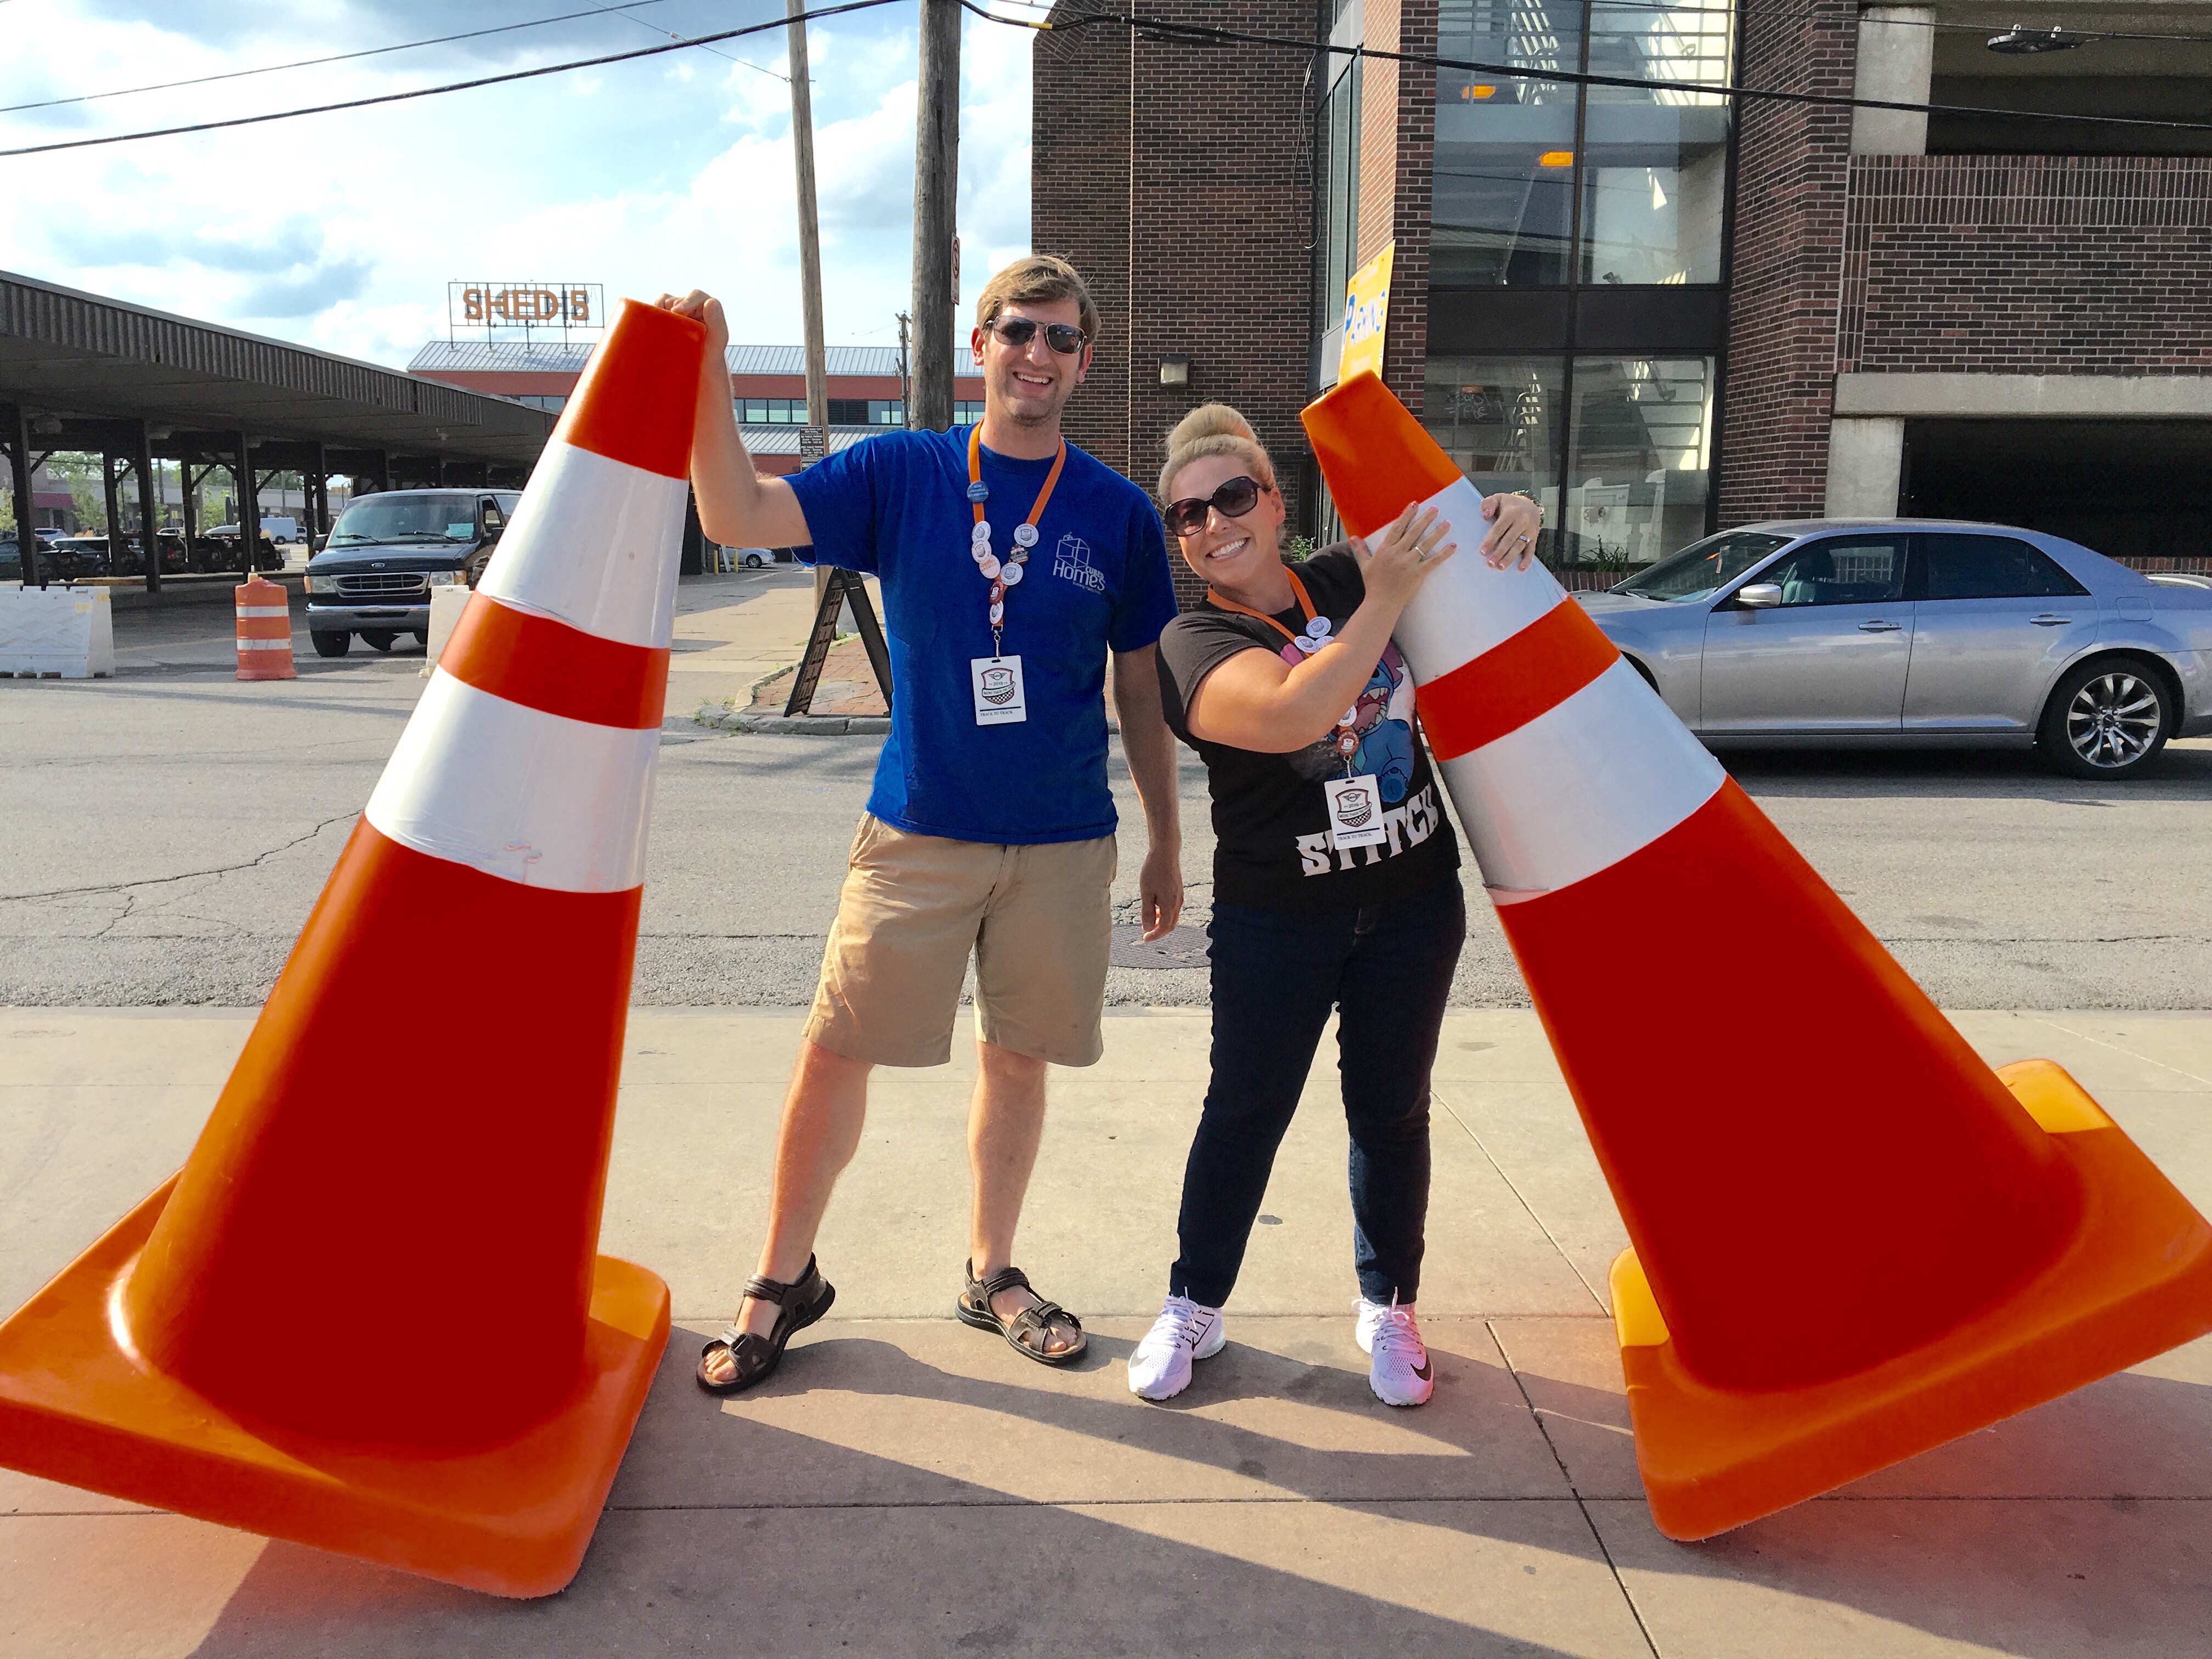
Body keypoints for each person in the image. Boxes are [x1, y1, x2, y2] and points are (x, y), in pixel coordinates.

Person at [661, 257, 1185, 1393]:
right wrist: (709, 370)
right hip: (919, 829)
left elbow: (1141, 688)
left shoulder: (1117, 512)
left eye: (1061, 338)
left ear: (1085, 361)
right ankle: (780, 1279)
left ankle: (992, 1274)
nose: (1037, 354)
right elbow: (734, 512)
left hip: (1062, 840)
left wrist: (1166, 841)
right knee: (836, 1050)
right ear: (979, 345)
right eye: (1018, 332)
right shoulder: (903, 472)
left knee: (1018, 1059)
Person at [1128, 404, 1540, 1408]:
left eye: (1234, 497)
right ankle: (1195, 1302)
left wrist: (1511, 511)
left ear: (1276, 503)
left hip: (1411, 902)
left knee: (1391, 1112)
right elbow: (1292, 712)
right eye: (1189, 514)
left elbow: (1452, 533)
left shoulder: (1346, 575)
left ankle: (1390, 1303)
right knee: (1245, 1112)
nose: (1214, 523)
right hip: (1279, 920)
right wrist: (1388, 596)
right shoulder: (1191, 639)